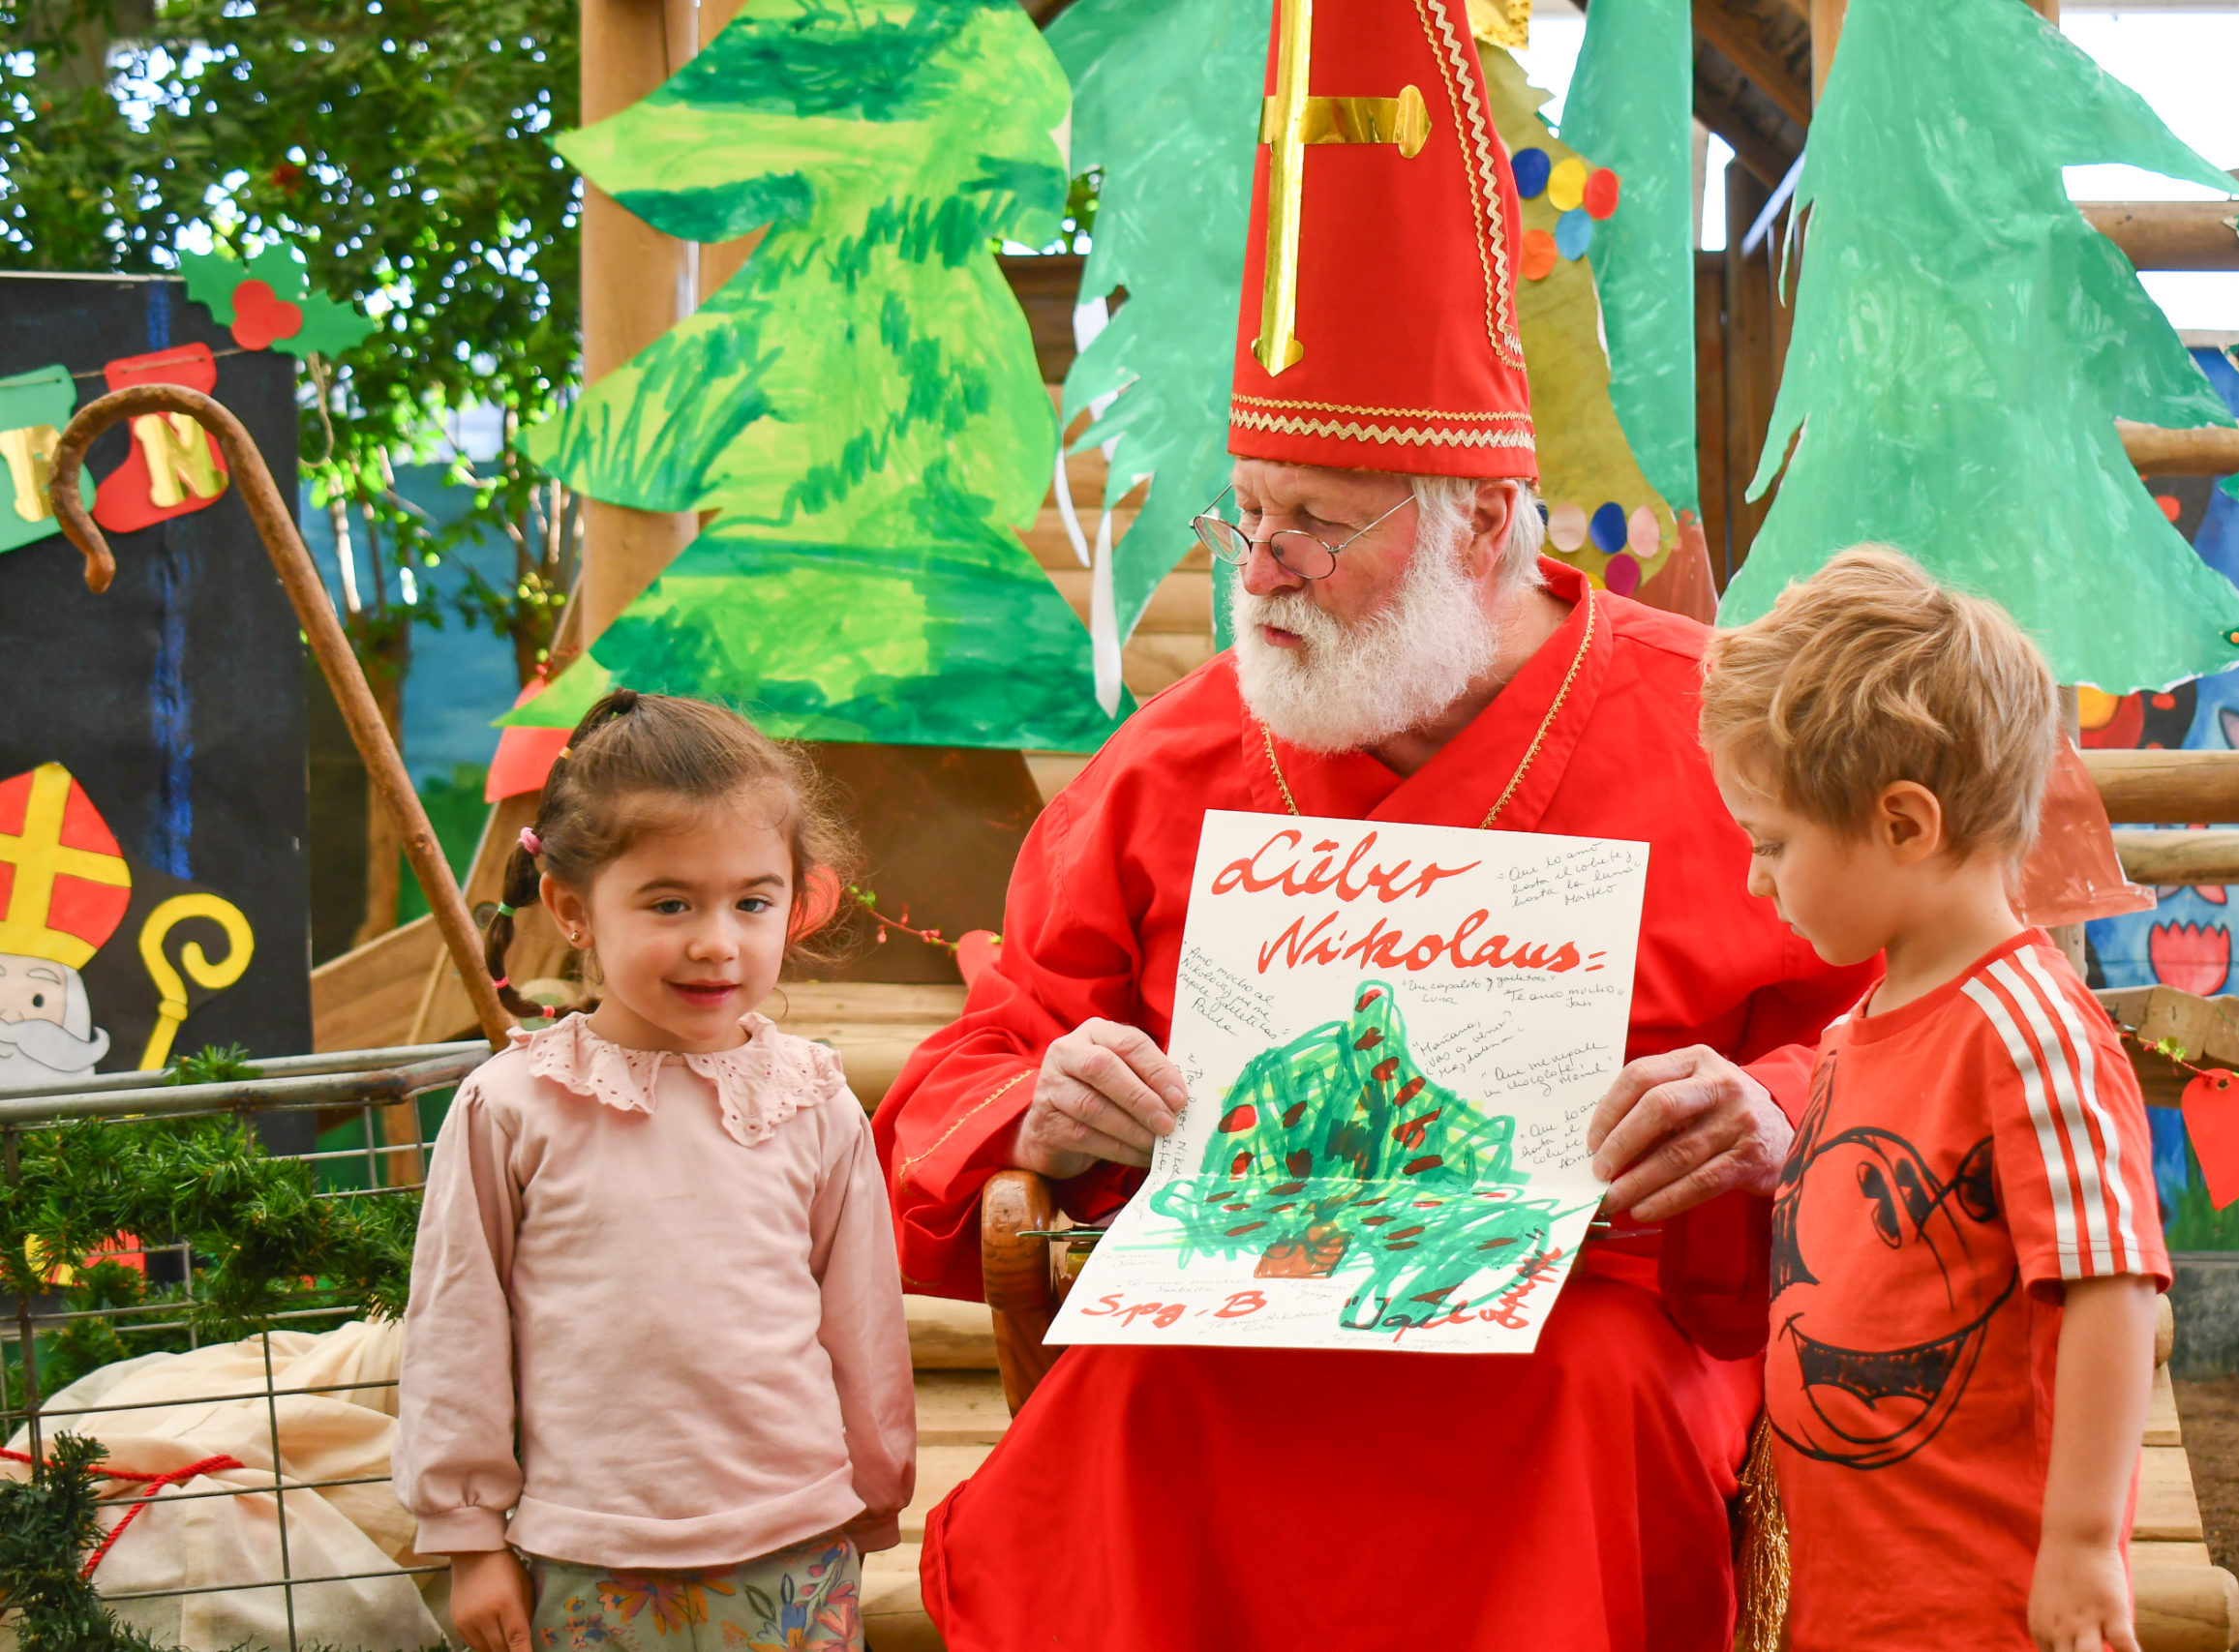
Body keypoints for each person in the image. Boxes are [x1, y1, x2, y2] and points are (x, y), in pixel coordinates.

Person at [869, 3, 1874, 1645]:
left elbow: (1917, 1021)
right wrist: (1046, 1104)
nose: (1259, 574)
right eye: (1248, 516)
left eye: (1319, 528)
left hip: (1588, 1325)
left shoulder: (1728, 729)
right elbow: (968, 1074)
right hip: (1228, 1323)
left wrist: (1767, 1110)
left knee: (1588, 1388)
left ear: (1482, 519)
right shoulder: (1173, 762)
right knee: (1123, 1396)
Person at [1702, 548, 2167, 1652]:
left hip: (1985, 1606)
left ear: (1905, 824)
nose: (1756, 879)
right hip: (1860, 1600)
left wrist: (2081, 1545)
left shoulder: (2028, 1032)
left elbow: (2111, 1285)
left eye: (1774, 843)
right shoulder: (1858, 1030)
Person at [394, 690, 914, 1652]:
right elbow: (456, 1330)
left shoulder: (813, 1101)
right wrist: (469, 1538)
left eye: (751, 902)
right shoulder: (512, 1106)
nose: (717, 940)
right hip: (588, 1562)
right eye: (671, 903)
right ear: (572, 908)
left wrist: (875, 1492)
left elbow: (864, 1323)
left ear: (796, 902)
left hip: (795, 1547)